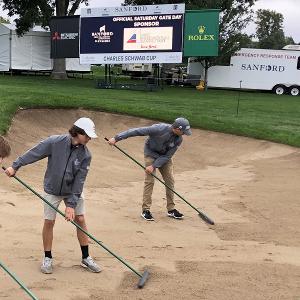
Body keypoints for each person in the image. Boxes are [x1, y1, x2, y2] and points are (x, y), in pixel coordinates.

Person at [5, 117, 101, 274]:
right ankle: (48, 257)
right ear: (78, 132)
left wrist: (71, 205)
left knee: (80, 219)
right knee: (49, 222)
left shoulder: (86, 155)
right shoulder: (55, 142)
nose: (90, 139)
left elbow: (79, 182)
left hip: (72, 191)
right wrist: (15, 166)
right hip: (52, 189)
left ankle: (86, 257)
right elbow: (34, 153)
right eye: (88, 136)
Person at [108, 117, 192, 221]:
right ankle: (145, 210)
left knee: (170, 181)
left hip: (164, 157)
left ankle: (171, 209)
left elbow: (167, 156)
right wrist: (116, 138)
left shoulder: (179, 139)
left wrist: (154, 166)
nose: (184, 134)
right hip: (151, 154)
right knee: (150, 181)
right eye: (183, 131)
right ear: (177, 129)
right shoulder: (158, 129)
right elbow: (135, 131)